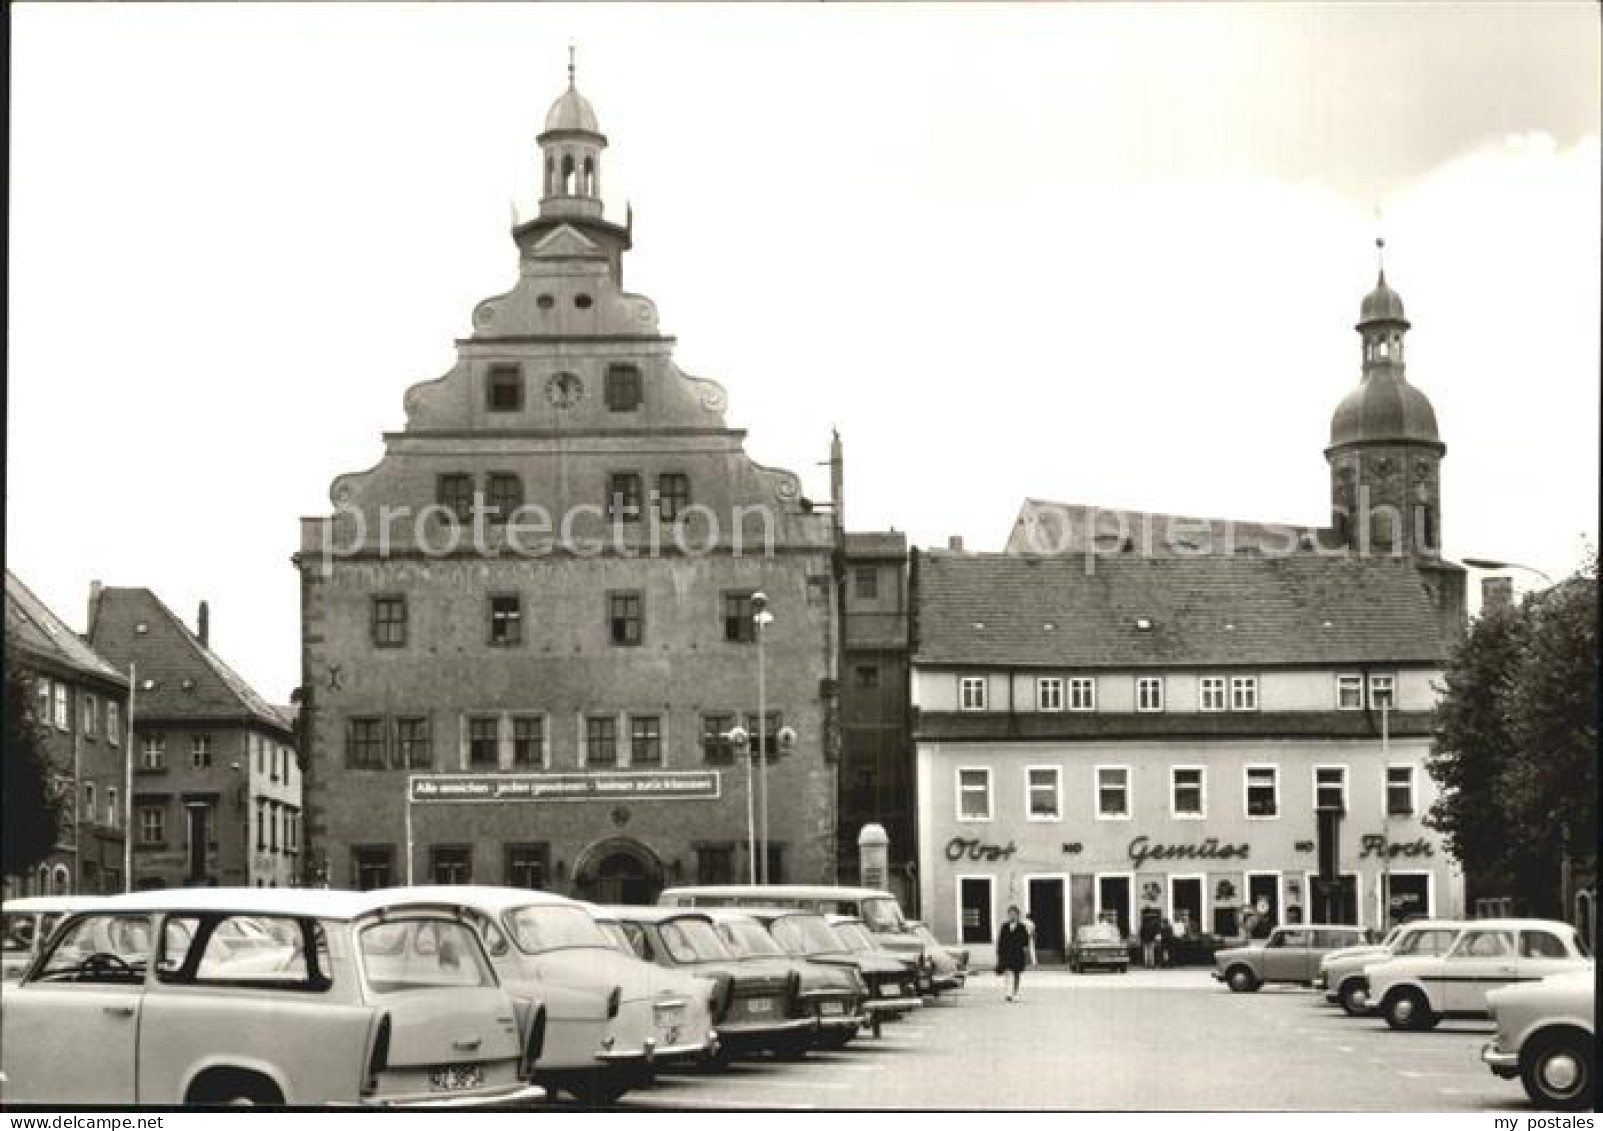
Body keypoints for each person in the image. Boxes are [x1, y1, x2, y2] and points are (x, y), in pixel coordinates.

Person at [995, 905, 1032, 1001]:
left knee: (1016, 973)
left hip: (1017, 954)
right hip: (1006, 953)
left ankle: (1015, 993)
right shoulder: (1004, 926)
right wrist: (999, 952)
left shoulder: (1022, 927)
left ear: (1018, 915)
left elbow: (1025, 941)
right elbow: (1001, 940)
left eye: (1014, 914)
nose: (1012, 916)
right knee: (1007, 972)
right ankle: (1008, 993)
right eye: (1010, 914)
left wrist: (1022, 948)